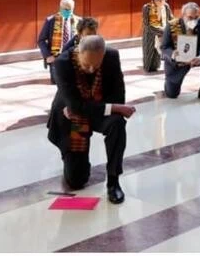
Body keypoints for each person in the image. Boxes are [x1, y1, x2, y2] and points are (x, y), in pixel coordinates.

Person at [47, 35, 135, 204]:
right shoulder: (62, 63)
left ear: (103, 54)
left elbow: (118, 95)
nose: (91, 69)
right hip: (71, 119)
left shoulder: (111, 56)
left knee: (117, 123)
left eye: (97, 64)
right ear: (78, 53)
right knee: (76, 180)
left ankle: (113, 181)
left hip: (94, 110)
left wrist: (110, 107)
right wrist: (114, 108)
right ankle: (74, 160)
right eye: (86, 64)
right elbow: (74, 106)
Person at [160, 2, 200, 101]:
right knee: (172, 94)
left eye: (196, 17)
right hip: (178, 62)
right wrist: (172, 55)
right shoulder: (172, 25)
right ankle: (169, 83)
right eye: (190, 17)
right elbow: (164, 47)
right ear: (183, 15)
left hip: (195, 57)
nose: (193, 20)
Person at [38, 0, 80, 84]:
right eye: (65, 9)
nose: (68, 12)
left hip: (72, 58)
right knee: (58, 82)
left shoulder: (78, 21)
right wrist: (48, 56)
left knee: (74, 82)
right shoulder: (50, 21)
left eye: (70, 9)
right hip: (55, 58)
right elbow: (41, 40)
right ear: (60, 8)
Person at [142, 0, 173, 73]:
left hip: (163, 31)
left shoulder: (166, 6)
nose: (161, 1)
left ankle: (156, 66)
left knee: (159, 52)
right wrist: (160, 31)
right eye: (159, 0)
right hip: (150, 31)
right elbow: (146, 23)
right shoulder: (147, 7)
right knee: (149, 51)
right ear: (154, 0)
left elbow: (171, 18)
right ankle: (148, 67)